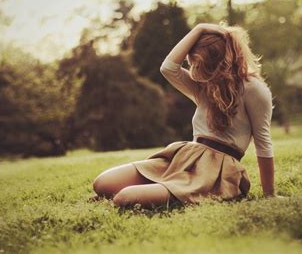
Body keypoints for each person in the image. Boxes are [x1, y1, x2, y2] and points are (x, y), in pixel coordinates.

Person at [91, 23, 276, 209]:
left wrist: (270, 195)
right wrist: (199, 29)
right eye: (191, 64)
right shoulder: (203, 86)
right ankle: (163, 189)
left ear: (218, 63)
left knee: (124, 198)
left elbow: (263, 143)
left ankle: (162, 191)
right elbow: (168, 68)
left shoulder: (254, 89)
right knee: (102, 184)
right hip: (185, 157)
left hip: (216, 171)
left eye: (198, 64)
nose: (193, 71)